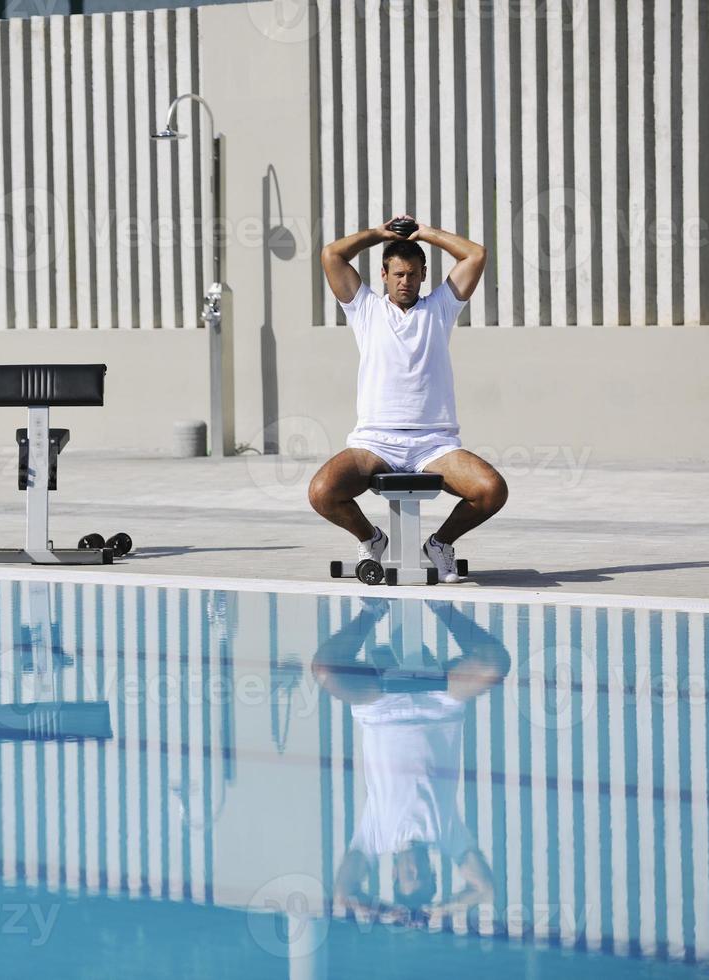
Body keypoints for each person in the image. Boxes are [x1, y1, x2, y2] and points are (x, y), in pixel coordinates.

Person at [308, 216, 506, 583]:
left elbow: (476, 255)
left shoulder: (440, 308)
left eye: (413, 274)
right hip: (375, 442)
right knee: (322, 492)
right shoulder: (365, 309)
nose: (406, 281)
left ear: (423, 274)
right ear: (383, 274)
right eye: (398, 274)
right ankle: (371, 539)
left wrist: (426, 233)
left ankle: (440, 544)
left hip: (434, 444)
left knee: (491, 490)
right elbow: (331, 254)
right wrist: (378, 235)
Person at [311, 599, 510, 924]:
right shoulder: (448, 836)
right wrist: (442, 910)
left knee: (325, 669)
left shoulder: (375, 837)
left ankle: (372, 611)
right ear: (433, 873)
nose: (414, 869)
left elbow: (343, 894)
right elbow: (485, 890)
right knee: (495, 664)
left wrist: (384, 911)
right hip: (440, 706)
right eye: (423, 876)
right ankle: (442, 607)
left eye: (408, 876)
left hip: (380, 710)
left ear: (394, 876)